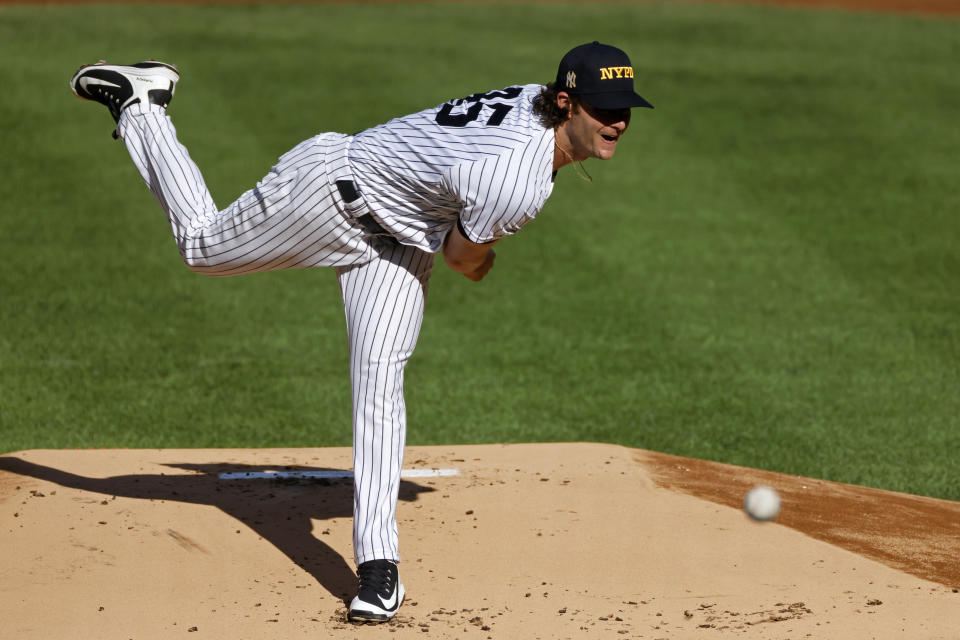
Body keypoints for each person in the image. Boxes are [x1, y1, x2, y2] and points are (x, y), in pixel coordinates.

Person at [69, 41, 653, 623]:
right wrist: (484, 263)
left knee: (380, 381)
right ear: (565, 103)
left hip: (401, 236)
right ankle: (142, 104)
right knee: (201, 245)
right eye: (603, 109)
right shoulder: (517, 181)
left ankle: (379, 565)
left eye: (623, 107)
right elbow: (462, 259)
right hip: (329, 195)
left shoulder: (533, 105)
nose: (618, 121)